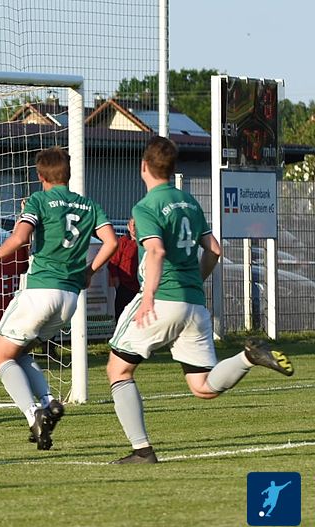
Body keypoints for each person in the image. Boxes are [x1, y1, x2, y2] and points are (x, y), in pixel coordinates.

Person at [106, 136, 294, 465]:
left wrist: (148, 297)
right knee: (203, 386)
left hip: (162, 299)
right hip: (193, 303)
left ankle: (142, 450)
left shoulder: (146, 206)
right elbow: (214, 250)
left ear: (143, 166)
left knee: (118, 370)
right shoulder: (189, 202)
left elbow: (156, 251)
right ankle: (249, 357)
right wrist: (196, 281)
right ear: (172, 168)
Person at [0, 146, 118, 450]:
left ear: (40, 175)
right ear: (68, 174)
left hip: (40, 291)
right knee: (19, 354)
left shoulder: (39, 200)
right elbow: (111, 242)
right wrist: (89, 271)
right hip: (69, 299)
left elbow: (21, 237)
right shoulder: (89, 205)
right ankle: (48, 401)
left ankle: (33, 414)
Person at [108, 217, 140, 321]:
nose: (134, 228)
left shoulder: (145, 243)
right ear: (128, 227)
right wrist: (118, 284)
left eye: (136, 225)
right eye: (132, 225)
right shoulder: (122, 242)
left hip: (141, 287)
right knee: (121, 317)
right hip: (125, 287)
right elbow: (113, 264)